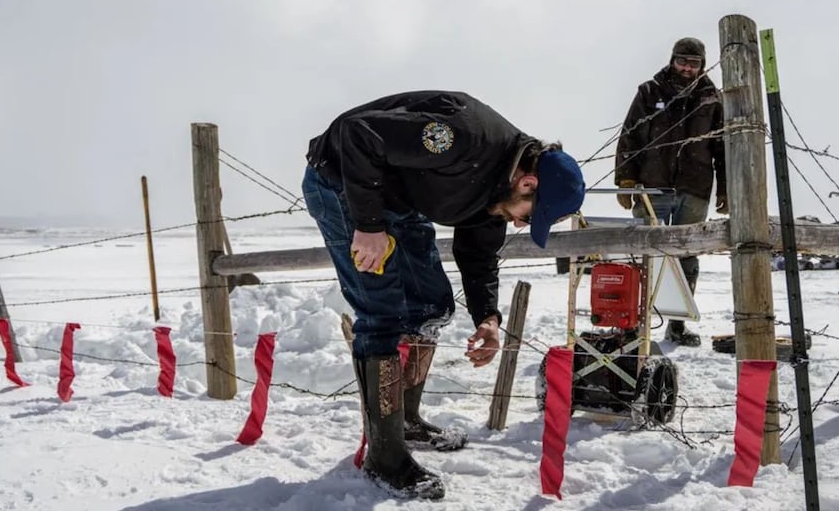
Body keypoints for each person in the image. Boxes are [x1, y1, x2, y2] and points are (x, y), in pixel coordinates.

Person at [303, 90, 586, 500]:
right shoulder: (461, 137)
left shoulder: (499, 191)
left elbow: (479, 252)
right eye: (529, 215)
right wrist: (368, 225)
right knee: (382, 313)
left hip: (397, 197)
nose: (522, 225)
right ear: (528, 182)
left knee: (431, 305)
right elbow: (357, 134)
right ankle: (384, 457)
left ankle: (405, 420)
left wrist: (487, 318)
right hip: (344, 184)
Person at [613, 37, 726, 347]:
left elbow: (722, 147)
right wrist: (625, 179)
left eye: (693, 63)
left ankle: (676, 325)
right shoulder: (649, 92)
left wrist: (726, 190)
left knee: (686, 256)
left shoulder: (712, 98)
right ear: (672, 60)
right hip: (653, 186)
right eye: (682, 61)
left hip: (695, 188)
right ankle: (631, 325)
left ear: (702, 65)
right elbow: (630, 136)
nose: (687, 68)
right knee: (642, 254)